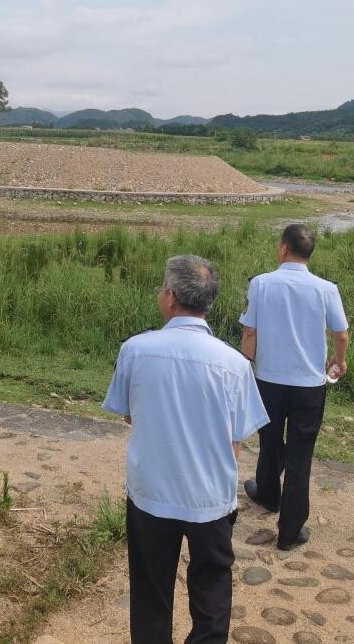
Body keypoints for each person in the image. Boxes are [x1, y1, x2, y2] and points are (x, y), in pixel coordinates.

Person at [103, 255, 268, 644]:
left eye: (163, 288)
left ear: (172, 298)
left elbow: (129, 415)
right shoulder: (234, 364)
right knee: (212, 589)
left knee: (150, 589)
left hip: (151, 492)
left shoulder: (136, 350)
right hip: (210, 496)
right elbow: (237, 437)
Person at [240, 224, 349, 551]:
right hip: (309, 385)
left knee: (269, 440)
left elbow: (249, 333)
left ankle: (268, 494)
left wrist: (245, 366)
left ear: (284, 248)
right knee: (300, 455)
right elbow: (341, 334)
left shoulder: (260, 284)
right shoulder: (326, 289)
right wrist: (339, 360)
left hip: (269, 380)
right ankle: (290, 531)